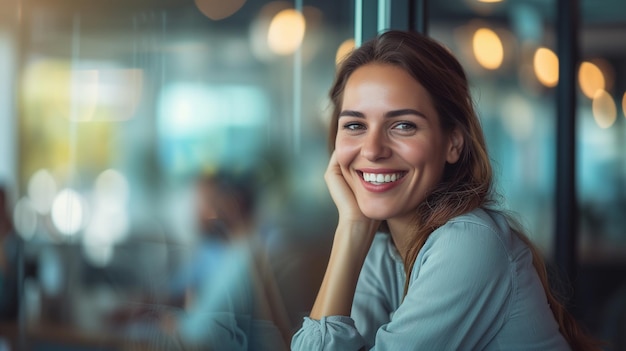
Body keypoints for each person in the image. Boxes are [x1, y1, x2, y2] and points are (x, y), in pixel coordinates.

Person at [291, 30, 602, 350]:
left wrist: (352, 232)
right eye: (355, 125)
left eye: (403, 125)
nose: (372, 150)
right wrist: (353, 228)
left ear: (453, 143)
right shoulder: (383, 249)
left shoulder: (469, 242)